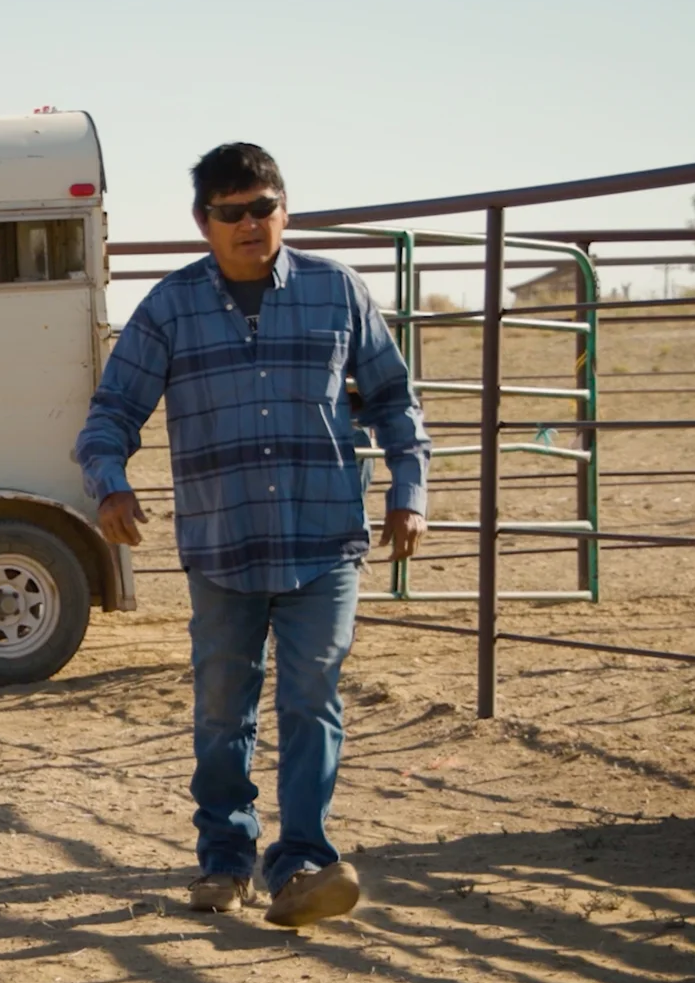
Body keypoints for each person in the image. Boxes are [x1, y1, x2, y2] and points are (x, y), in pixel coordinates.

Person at [73, 142, 430, 928]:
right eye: (230, 211)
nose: (248, 223)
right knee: (222, 709)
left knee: (313, 699)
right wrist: (111, 483)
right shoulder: (169, 309)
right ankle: (225, 859)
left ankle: (300, 860)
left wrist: (408, 490)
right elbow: (108, 417)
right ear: (203, 222)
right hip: (224, 545)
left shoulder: (338, 293)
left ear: (284, 209)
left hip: (324, 539)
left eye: (262, 206)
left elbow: (394, 400)